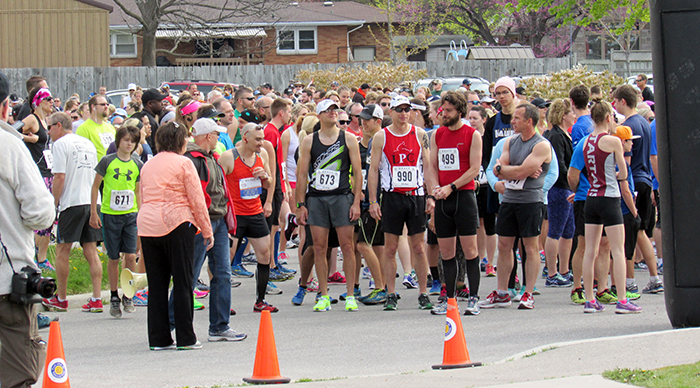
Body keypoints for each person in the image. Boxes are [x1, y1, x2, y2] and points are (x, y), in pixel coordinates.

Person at [0, 71, 56, 388]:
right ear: (6, 106)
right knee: (19, 368)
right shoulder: (9, 145)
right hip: (8, 279)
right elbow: (40, 213)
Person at [138, 122, 213, 351]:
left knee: (157, 283)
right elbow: (197, 199)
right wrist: (207, 229)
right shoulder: (184, 163)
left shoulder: (148, 165)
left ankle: (159, 338)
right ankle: (186, 337)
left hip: (148, 224)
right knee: (182, 281)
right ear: (181, 141)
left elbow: (141, 195)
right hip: (177, 221)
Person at [480, 103, 552, 310]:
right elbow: (497, 168)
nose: (512, 122)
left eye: (517, 119)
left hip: (530, 200)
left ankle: (528, 292)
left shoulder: (541, 145)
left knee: (530, 247)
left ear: (529, 121)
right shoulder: (510, 142)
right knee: (504, 245)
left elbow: (521, 171)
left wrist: (512, 170)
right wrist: (514, 170)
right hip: (509, 200)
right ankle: (502, 291)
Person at [367, 95, 434, 311]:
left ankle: (423, 292)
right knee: (390, 247)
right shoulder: (381, 137)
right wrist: (373, 201)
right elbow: (374, 170)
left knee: (418, 247)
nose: (403, 114)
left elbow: (428, 167)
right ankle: (391, 293)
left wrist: (431, 195)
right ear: (391, 112)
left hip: (415, 195)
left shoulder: (421, 135)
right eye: (399, 109)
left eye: (407, 110)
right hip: (392, 196)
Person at [296, 99, 363, 312]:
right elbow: (301, 175)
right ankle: (323, 294)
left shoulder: (349, 139)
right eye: (328, 110)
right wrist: (300, 204)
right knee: (319, 246)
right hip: (316, 198)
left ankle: (351, 294)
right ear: (319, 115)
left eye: (335, 110)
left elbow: (358, 173)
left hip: (342, 197)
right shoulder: (309, 141)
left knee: (347, 246)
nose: (333, 113)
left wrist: (356, 202)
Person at [183, 118, 247, 339]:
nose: (219, 138)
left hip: (217, 220)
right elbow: (196, 195)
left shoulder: (210, 157)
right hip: (204, 222)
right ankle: (173, 322)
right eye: (216, 134)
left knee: (222, 272)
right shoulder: (193, 159)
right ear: (207, 136)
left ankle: (219, 326)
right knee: (190, 274)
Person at [577, 101, 641, 314]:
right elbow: (623, 172)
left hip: (591, 197)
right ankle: (622, 300)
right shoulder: (613, 141)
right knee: (617, 249)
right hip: (610, 197)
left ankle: (589, 298)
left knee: (590, 250)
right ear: (607, 118)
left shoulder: (585, 143)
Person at [41, 112, 105, 313]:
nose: (49, 131)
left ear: (59, 125)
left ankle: (61, 298)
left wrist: (54, 203)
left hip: (72, 202)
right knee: (91, 249)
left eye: (50, 127)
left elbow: (59, 176)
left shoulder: (60, 144)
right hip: (92, 201)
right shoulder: (86, 143)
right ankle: (96, 298)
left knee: (62, 250)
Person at [427, 91, 482, 315]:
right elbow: (431, 166)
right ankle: (449, 299)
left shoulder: (472, 134)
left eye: (449, 111)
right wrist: (434, 191)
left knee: (470, 250)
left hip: (463, 197)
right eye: (442, 110)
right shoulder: (437, 135)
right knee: (446, 251)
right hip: (443, 199)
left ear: (460, 112)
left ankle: (474, 298)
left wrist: (452, 187)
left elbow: (474, 169)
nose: (444, 114)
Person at [219, 123, 279, 313]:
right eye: (258, 139)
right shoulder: (229, 157)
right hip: (234, 214)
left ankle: (260, 301)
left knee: (265, 253)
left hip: (255, 212)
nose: (262, 142)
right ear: (245, 138)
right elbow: (217, 185)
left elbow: (269, 183)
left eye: (262, 138)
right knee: (226, 258)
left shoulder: (262, 155)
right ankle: (222, 302)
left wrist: (264, 178)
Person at [613, 85, 662, 294]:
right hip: (645, 179)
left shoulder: (627, 126)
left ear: (623, 101)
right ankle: (654, 277)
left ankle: (630, 281)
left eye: (615, 101)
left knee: (629, 234)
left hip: (632, 182)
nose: (614, 105)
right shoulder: (644, 122)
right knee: (641, 230)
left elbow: (627, 160)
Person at [89, 125, 143, 318]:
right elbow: (95, 186)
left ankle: (128, 293)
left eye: (133, 141)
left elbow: (138, 190)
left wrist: (141, 211)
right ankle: (113, 296)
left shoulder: (137, 163)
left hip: (130, 214)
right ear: (118, 141)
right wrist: (93, 213)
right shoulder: (107, 161)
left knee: (130, 256)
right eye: (126, 140)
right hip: (110, 214)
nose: (129, 144)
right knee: (113, 257)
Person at [20, 87, 55, 272]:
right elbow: (12, 131)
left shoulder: (45, 119)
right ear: (38, 101)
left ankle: (42, 257)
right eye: (48, 98)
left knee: (49, 218)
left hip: (48, 170)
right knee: (40, 215)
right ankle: (31, 255)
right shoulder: (33, 119)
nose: (52, 101)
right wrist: (28, 139)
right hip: (37, 172)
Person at [542, 99, 575, 288]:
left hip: (568, 188)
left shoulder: (565, 135)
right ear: (564, 115)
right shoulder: (555, 136)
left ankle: (564, 269)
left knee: (568, 231)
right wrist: (572, 181)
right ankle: (552, 272)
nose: (574, 116)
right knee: (555, 230)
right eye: (571, 113)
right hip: (559, 188)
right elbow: (559, 165)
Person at [76, 95, 116, 161]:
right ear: (93, 107)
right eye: (103, 104)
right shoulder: (83, 128)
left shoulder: (111, 128)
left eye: (107, 104)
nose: (106, 107)